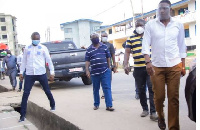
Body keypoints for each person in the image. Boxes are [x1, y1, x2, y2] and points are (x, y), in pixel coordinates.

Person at [142, 0, 186, 129]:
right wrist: (147, 62)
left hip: (174, 64)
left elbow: (182, 45)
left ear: (170, 10)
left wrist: (183, 66)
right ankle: (160, 117)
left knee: (174, 98)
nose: (161, 11)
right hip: (156, 66)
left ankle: (173, 127)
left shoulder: (178, 24)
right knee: (159, 97)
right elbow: (145, 44)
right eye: (160, 8)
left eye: (164, 8)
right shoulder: (150, 25)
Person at [124, 19, 158, 121]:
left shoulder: (150, 36)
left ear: (145, 26)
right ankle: (145, 109)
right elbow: (127, 52)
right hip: (138, 69)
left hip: (150, 67)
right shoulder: (130, 38)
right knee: (141, 90)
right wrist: (126, 64)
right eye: (137, 25)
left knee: (152, 88)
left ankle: (153, 112)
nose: (139, 27)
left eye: (141, 25)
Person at [19, 32, 55, 122]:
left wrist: (52, 72)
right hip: (30, 74)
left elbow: (49, 60)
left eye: (38, 38)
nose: (36, 40)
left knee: (47, 90)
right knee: (25, 94)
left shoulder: (43, 48)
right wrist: (21, 73)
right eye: (35, 38)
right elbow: (24, 61)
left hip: (41, 73)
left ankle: (52, 104)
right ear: (31, 38)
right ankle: (22, 115)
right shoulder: (27, 48)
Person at [85, 33, 114, 111]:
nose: (95, 38)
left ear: (99, 38)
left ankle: (109, 105)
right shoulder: (89, 49)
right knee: (95, 89)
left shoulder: (104, 47)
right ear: (91, 39)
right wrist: (87, 70)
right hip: (94, 73)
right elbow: (87, 61)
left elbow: (108, 57)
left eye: (96, 37)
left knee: (107, 88)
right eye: (93, 37)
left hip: (105, 71)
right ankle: (96, 104)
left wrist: (109, 67)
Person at [100, 32, 117, 99]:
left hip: (108, 66)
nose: (104, 37)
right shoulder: (98, 45)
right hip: (101, 66)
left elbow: (113, 55)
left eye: (105, 36)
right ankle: (104, 93)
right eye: (103, 36)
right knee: (102, 81)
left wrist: (114, 65)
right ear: (100, 37)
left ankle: (108, 95)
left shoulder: (110, 45)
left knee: (108, 81)